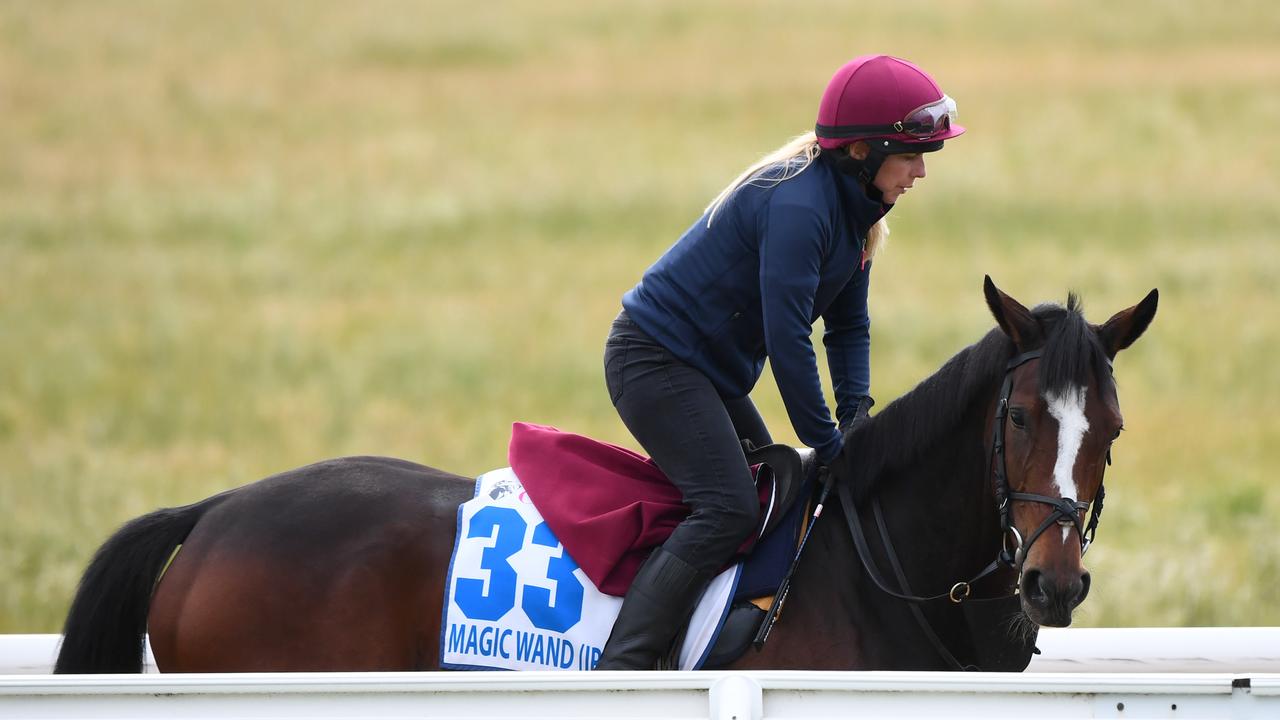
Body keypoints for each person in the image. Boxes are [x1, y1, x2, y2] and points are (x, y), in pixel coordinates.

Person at [597, 55, 965, 669]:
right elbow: (788, 336)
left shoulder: (856, 214)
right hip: (651, 362)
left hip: (701, 372)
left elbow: (848, 327)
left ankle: (714, 646)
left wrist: (857, 416)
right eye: (911, 156)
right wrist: (827, 441)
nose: (921, 172)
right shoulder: (800, 208)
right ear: (863, 154)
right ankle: (623, 668)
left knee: (777, 501)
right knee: (732, 506)